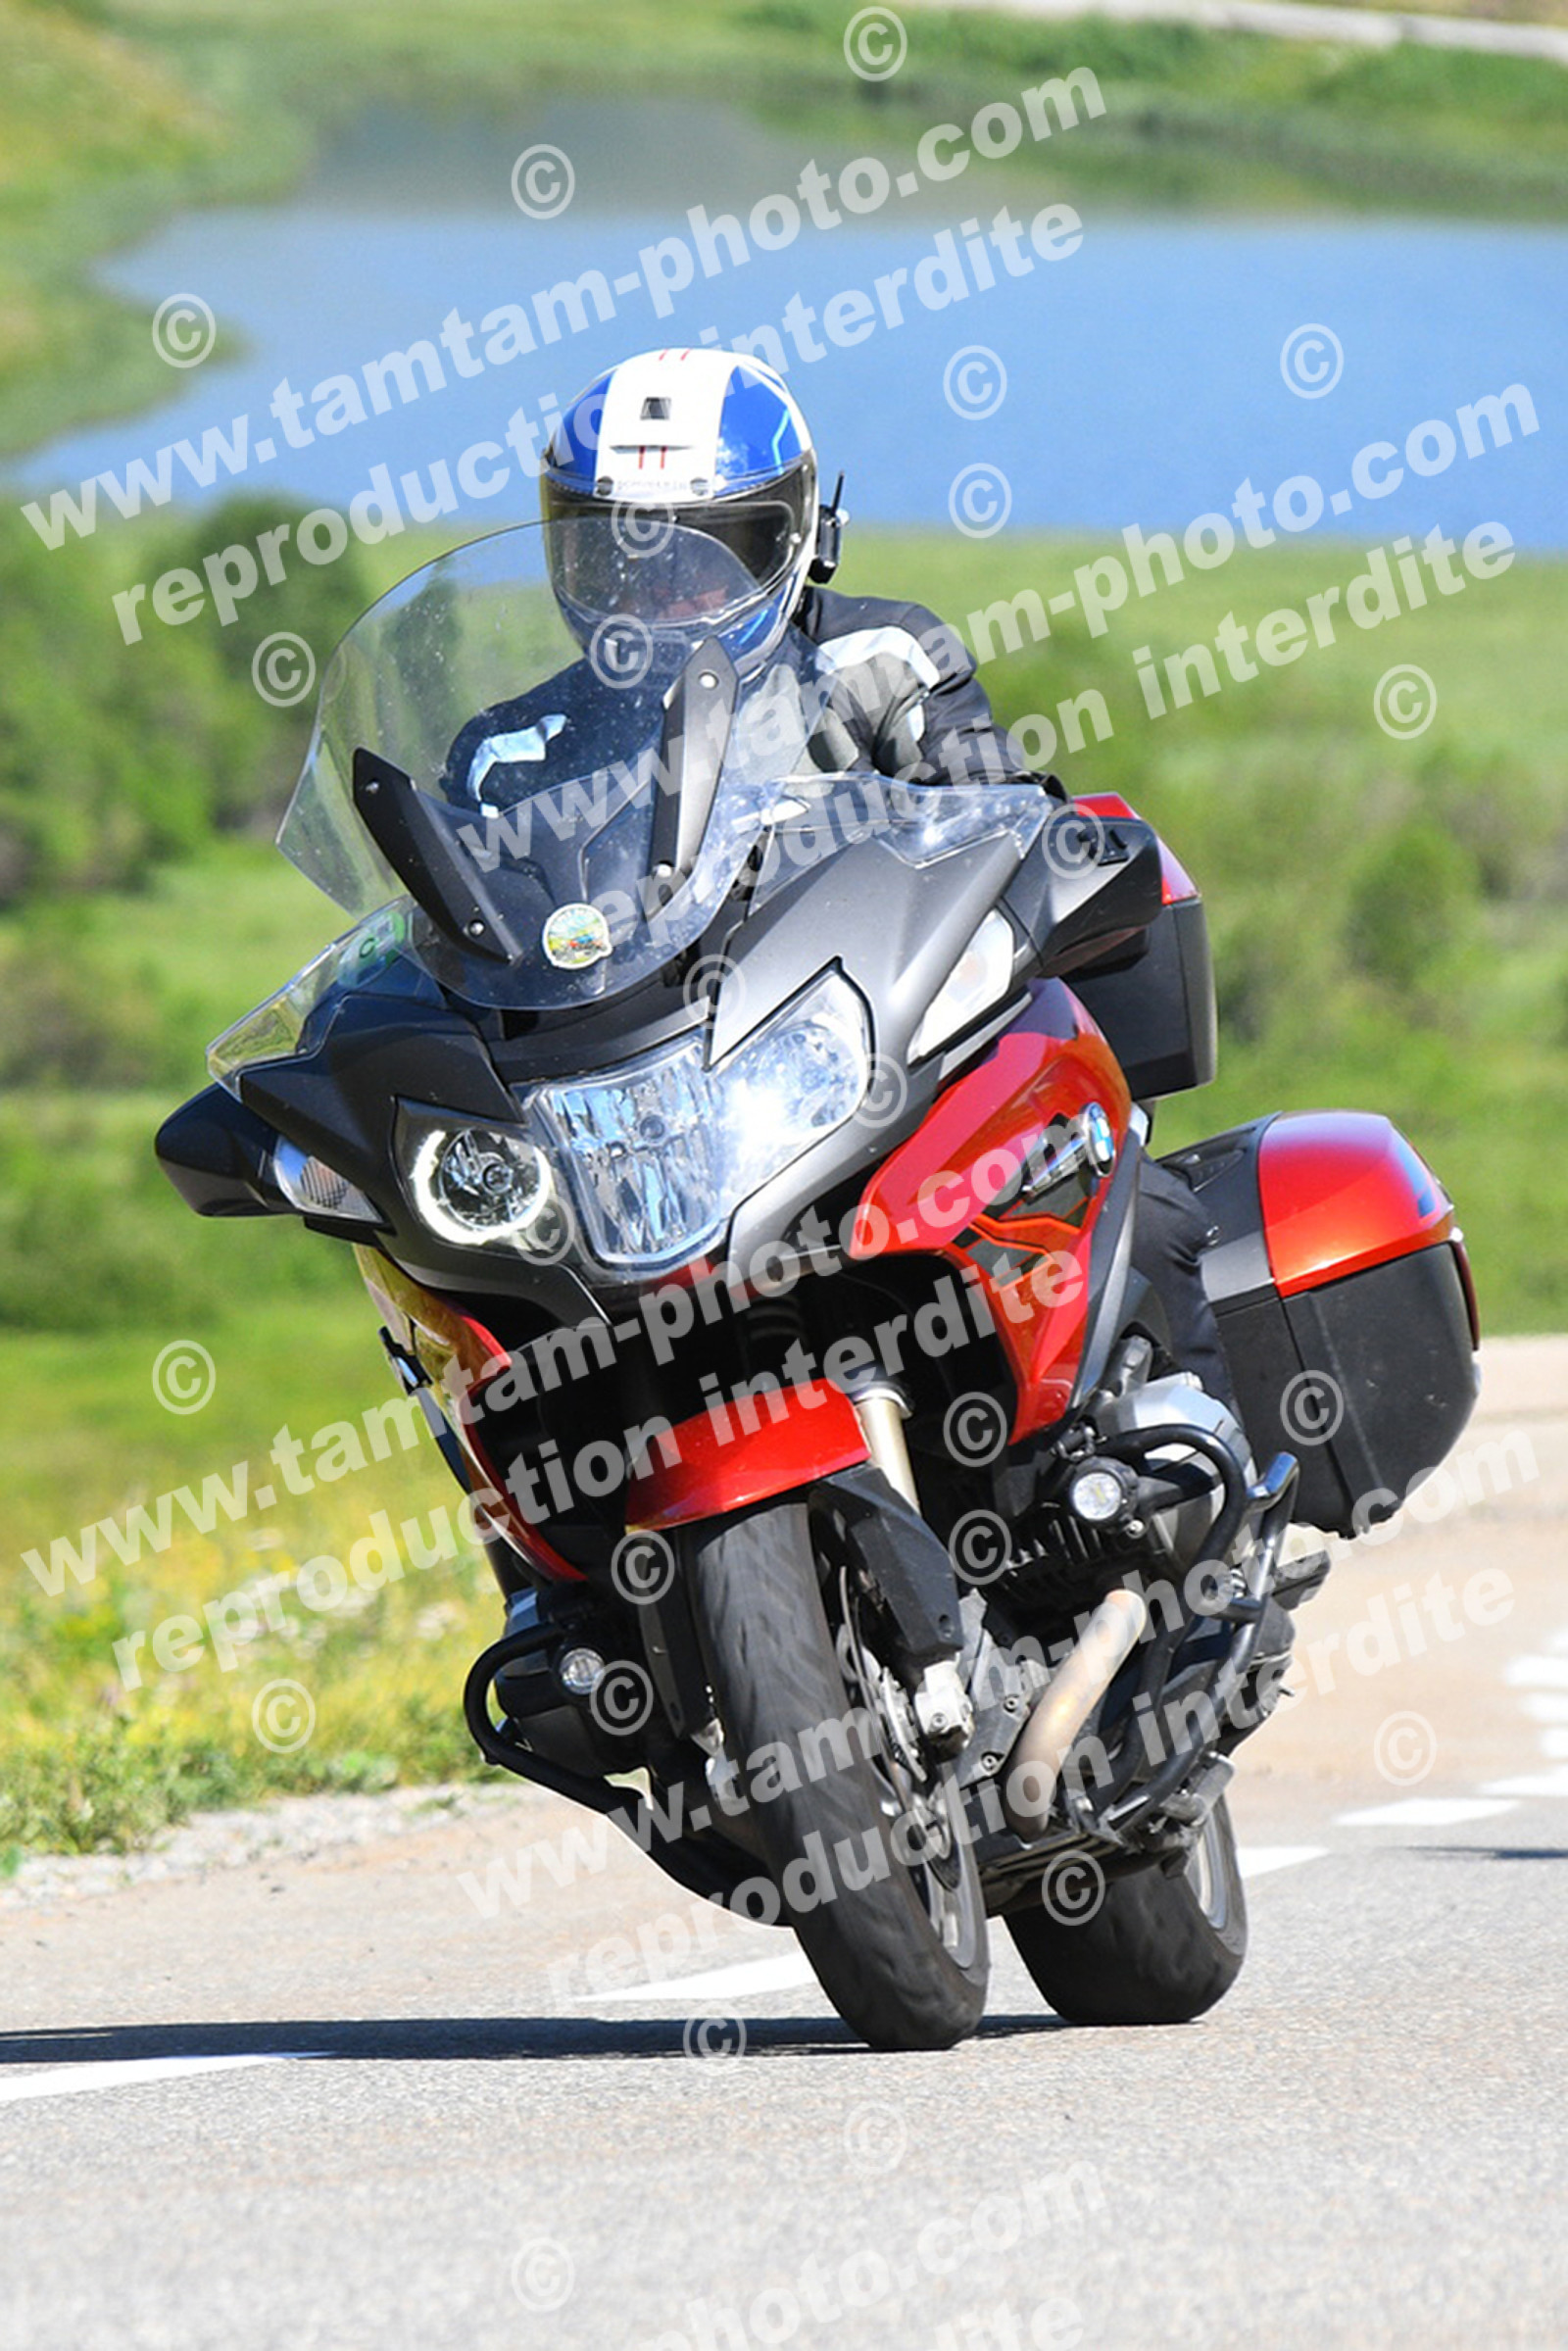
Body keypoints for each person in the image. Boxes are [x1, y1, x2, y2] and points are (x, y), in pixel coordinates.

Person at [529, 345, 1238, 1416]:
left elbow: (998, 814)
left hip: (881, 1058)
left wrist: (1043, 855)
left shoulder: (880, 656)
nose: (664, 594)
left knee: (1141, 1212)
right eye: (621, 559)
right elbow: (463, 933)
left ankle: (1195, 1472)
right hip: (654, 1124)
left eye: (709, 555)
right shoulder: (519, 746)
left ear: (798, 537)